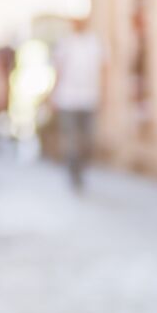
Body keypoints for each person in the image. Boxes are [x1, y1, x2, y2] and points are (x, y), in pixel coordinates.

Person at [49, 16, 104, 192]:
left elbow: (104, 70)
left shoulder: (95, 43)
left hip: (89, 98)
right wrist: (53, 94)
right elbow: (58, 70)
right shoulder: (65, 43)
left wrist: (104, 94)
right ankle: (73, 171)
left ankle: (81, 167)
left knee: (87, 138)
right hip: (68, 98)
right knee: (71, 138)